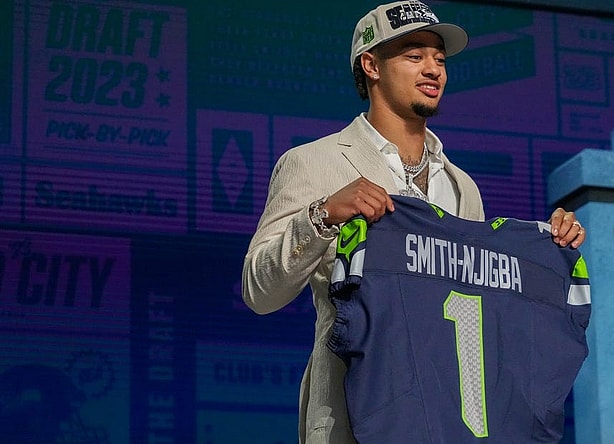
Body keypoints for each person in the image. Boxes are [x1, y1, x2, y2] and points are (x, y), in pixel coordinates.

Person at [242, 2, 586, 442]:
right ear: (371, 65)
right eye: (414, 55)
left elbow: (487, 307)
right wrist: (323, 216)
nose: (433, 70)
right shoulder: (314, 162)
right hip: (353, 420)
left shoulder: (462, 186)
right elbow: (259, 292)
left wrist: (550, 247)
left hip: (446, 420)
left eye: (440, 59)